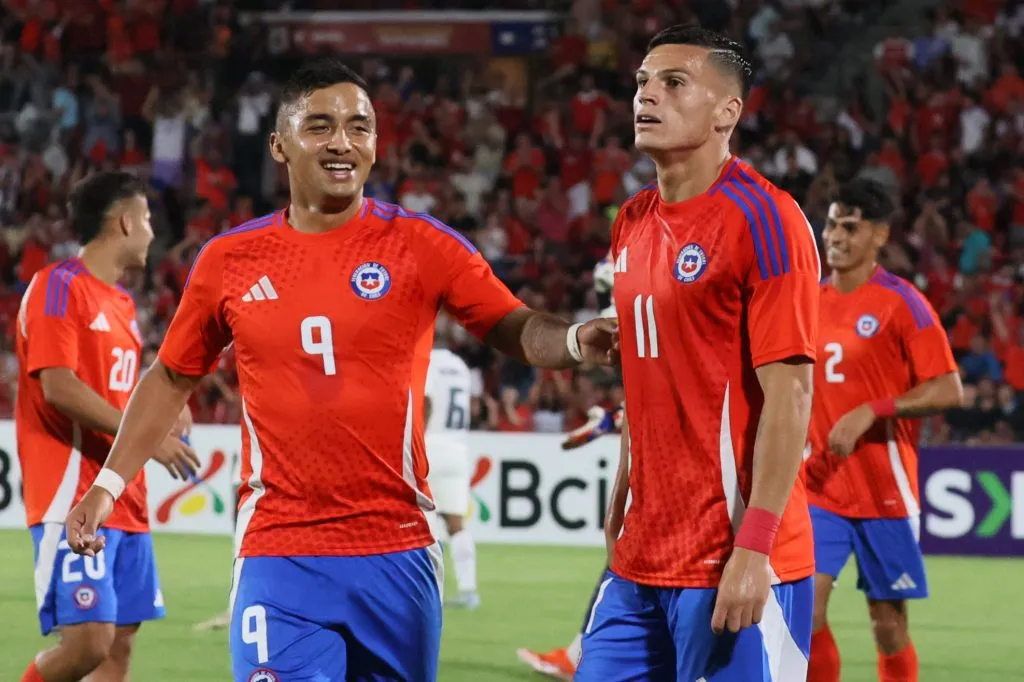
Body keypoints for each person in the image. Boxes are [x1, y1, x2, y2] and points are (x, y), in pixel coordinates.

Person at [62, 59, 618, 682]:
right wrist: (107, 486)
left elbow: (512, 324)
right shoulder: (229, 260)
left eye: (360, 126)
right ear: (279, 145)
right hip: (280, 548)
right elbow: (170, 377)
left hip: (397, 549)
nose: (342, 142)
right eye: (319, 126)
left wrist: (574, 340)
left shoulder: (420, 244)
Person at [578, 25, 822, 681]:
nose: (647, 95)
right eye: (642, 83)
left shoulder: (765, 218)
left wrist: (755, 546)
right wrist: (625, 484)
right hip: (642, 555)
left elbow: (791, 394)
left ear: (727, 112)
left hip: (732, 558)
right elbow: (649, 374)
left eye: (674, 83)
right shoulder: (631, 221)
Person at [16, 171, 197, 682]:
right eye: (147, 219)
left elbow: (114, 385)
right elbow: (59, 386)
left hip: (124, 496)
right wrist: (147, 439)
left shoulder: (121, 303)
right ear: (123, 222)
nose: (152, 232)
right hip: (71, 491)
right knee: (88, 642)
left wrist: (162, 409)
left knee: (119, 644)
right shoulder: (58, 286)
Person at [804, 179, 963, 682]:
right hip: (819, 485)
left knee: (888, 626)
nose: (836, 236)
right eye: (832, 224)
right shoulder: (807, 300)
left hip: (884, 492)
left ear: (880, 235)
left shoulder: (903, 302)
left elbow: (949, 389)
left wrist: (873, 410)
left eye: (851, 227)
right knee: (805, 610)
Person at [423, 345, 478, 608]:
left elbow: (426, 401)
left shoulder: (427, 361)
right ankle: (469, 590)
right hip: (457, 448)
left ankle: (431, 590)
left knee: (424, 524)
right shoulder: (459, 366)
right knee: (456, 524)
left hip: (430, 446)